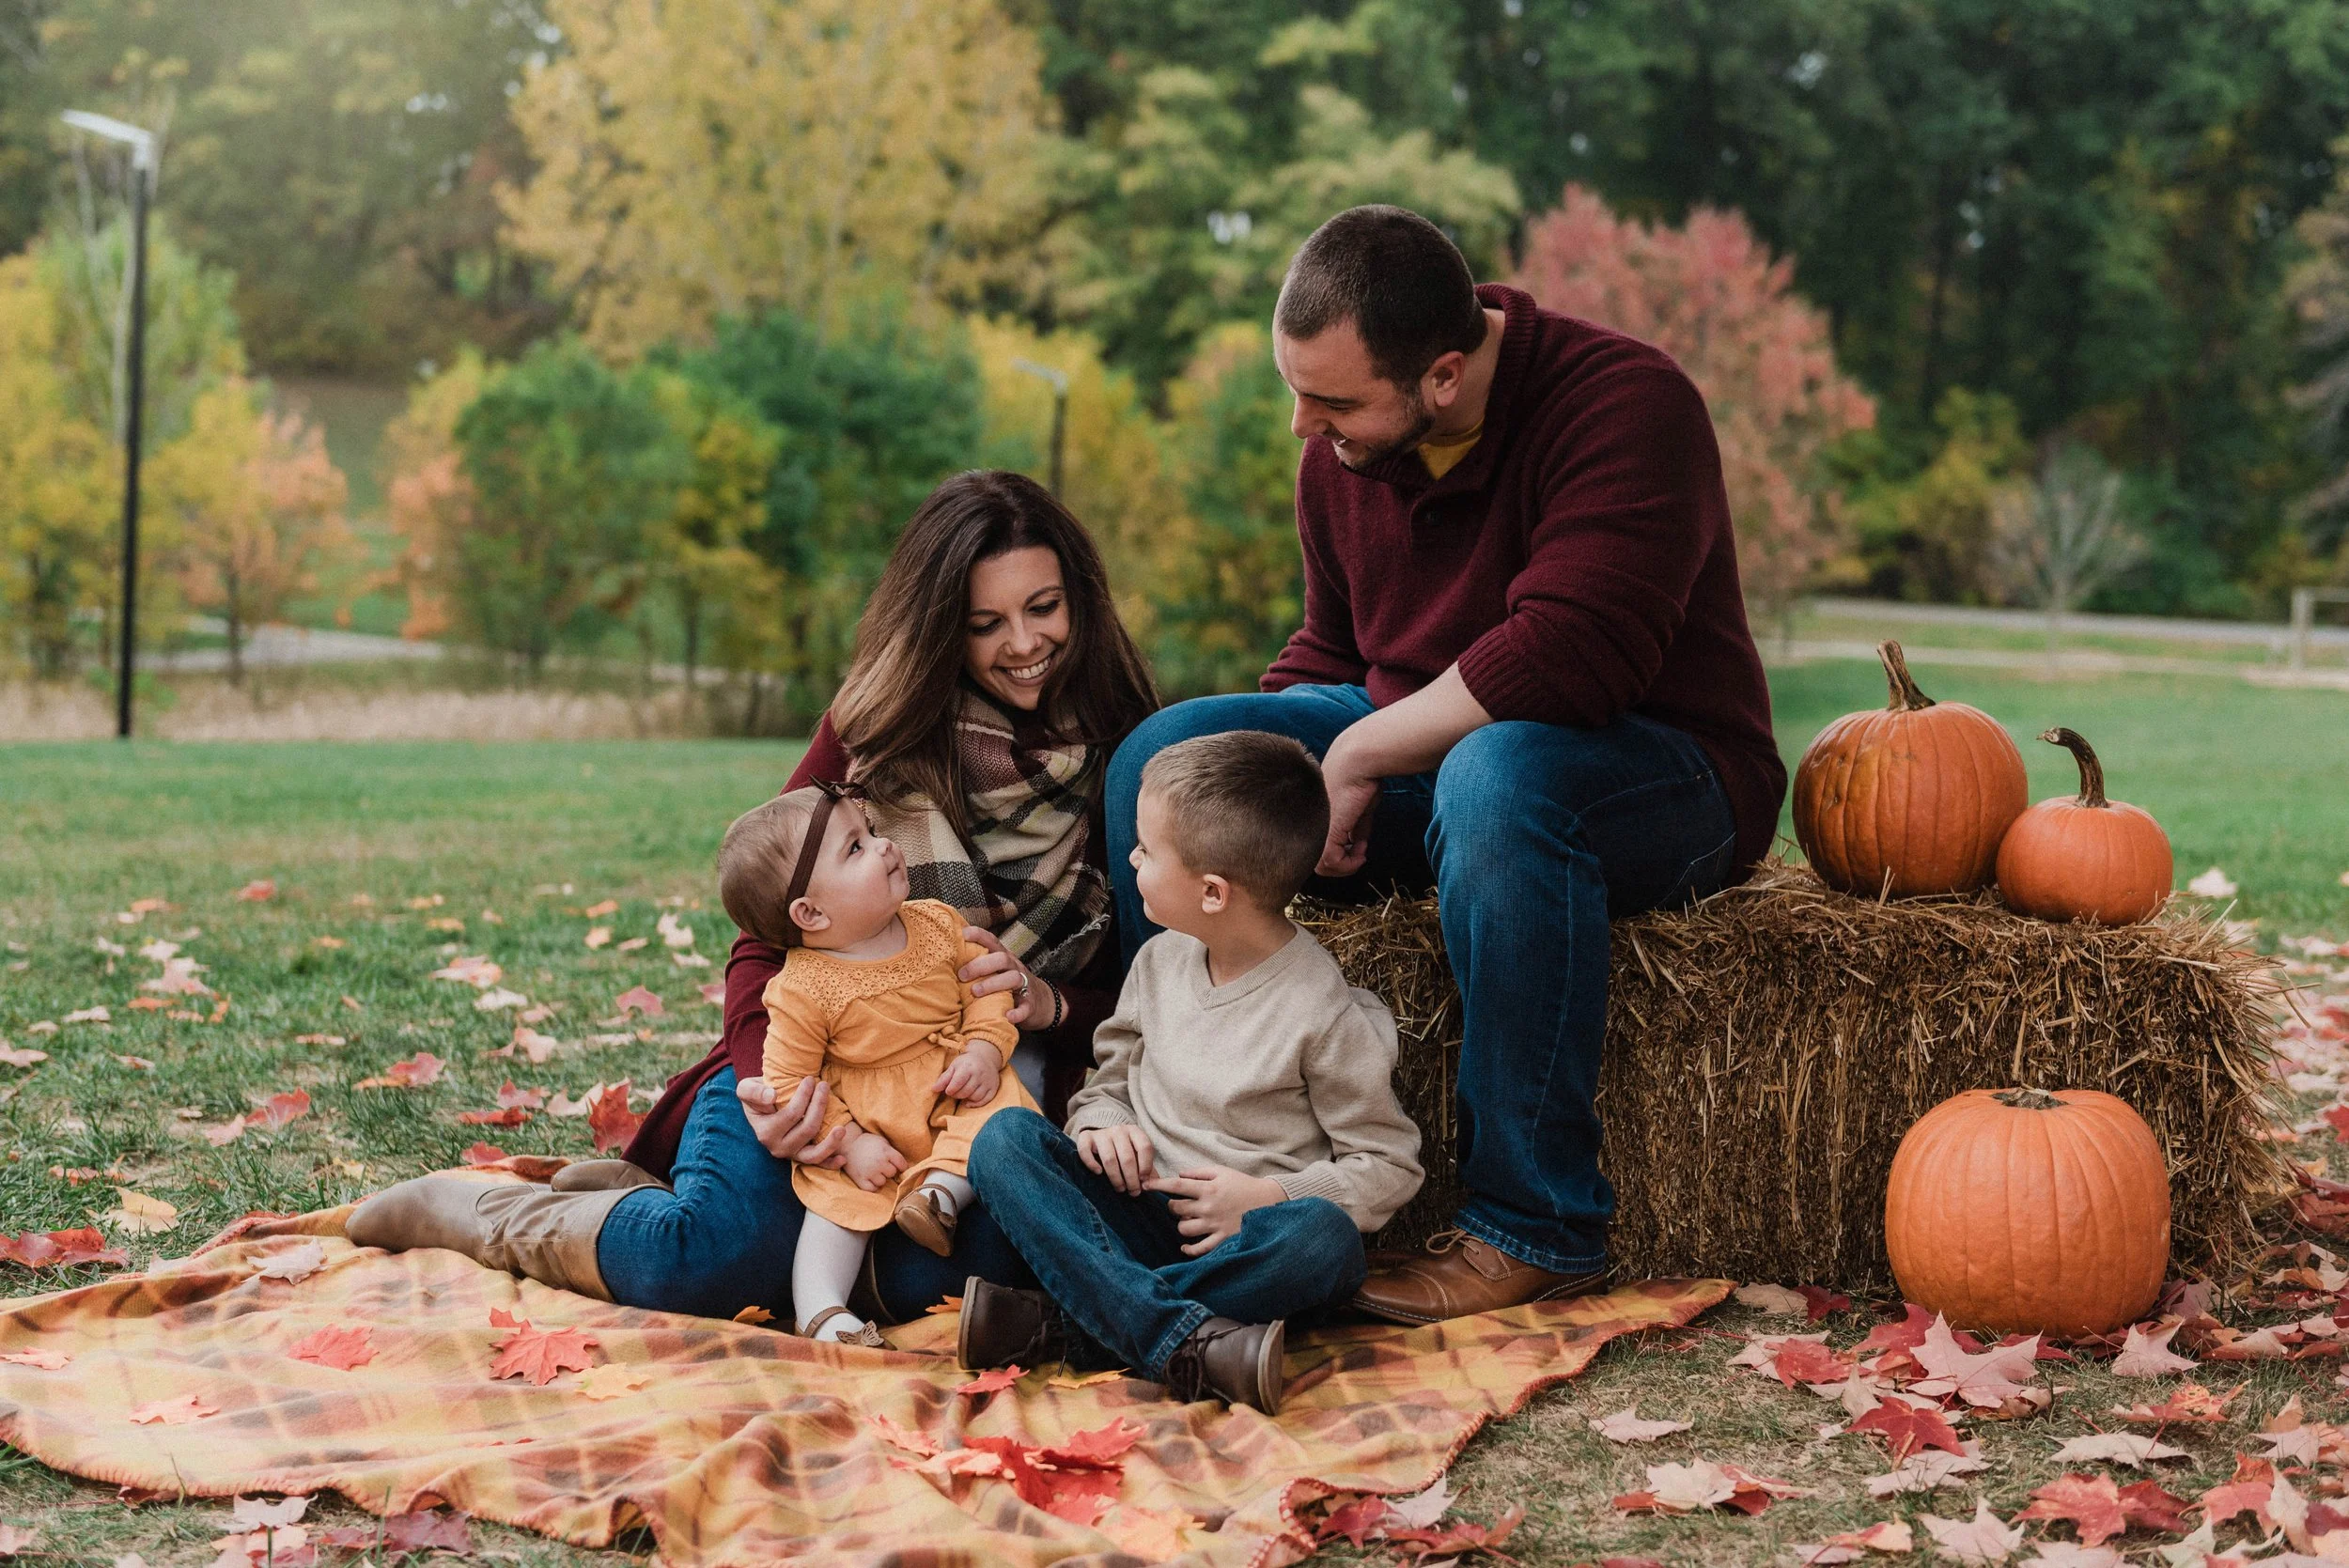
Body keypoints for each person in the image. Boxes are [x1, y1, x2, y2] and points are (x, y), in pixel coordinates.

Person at [1104, 206, 1787, 1325]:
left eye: (1330, 401)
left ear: (1443, 374)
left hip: (1659, 770)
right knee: (1172, 756)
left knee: (1500, 776)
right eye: (1296, 389)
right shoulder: (1343, 450)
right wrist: (1269, 791)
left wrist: (1362, 749)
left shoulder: (1627, 404)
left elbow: (1575, 657)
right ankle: (1159, 1149)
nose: (1300, 424)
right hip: (1437, 749)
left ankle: (1536, 1224)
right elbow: (1333, 649)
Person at [348, 471, 1159, 1325]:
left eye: (1045, 607)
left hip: (978, 1112)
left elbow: (1156, 983)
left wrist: (1045, 1002)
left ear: (1082, 599)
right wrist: (775, 1095)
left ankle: (661, 1210)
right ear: (937, 631)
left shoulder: (1128, 758)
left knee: (965, 1275)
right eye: (985, 624)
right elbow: (766, 935)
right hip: (818, 1067)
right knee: (712, 1264)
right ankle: (494, 1215)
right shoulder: (875, 735)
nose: (1025, 642)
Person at [959, 732, 1423, 1413]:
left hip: (1242, 1243)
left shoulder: (1321, 1012)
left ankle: (1073, 1324)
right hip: (1138, 1209)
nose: (1132, 856)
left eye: (1147, 849)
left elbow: (1389, 1164)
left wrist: (1271, 1194)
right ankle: (1182, 1338)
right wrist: (1105, 1123)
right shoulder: (1159, 963)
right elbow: (1109, 1080)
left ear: (1212, 891)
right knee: (1003, 1139)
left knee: (1326, 1243)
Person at [720, 782, 1038, 1345]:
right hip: (870, 1122)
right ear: (811, 912)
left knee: (999, 1117)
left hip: (952, 1087)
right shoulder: (800, 989)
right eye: (856, 848)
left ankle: (937, 1197)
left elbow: (988, 985)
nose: (886, 846)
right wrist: (847, 1143)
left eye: (872, 833)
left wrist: (984, 1051)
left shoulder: (936, 922)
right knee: (836, 1204)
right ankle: (822, 1311)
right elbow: (791, 1080)